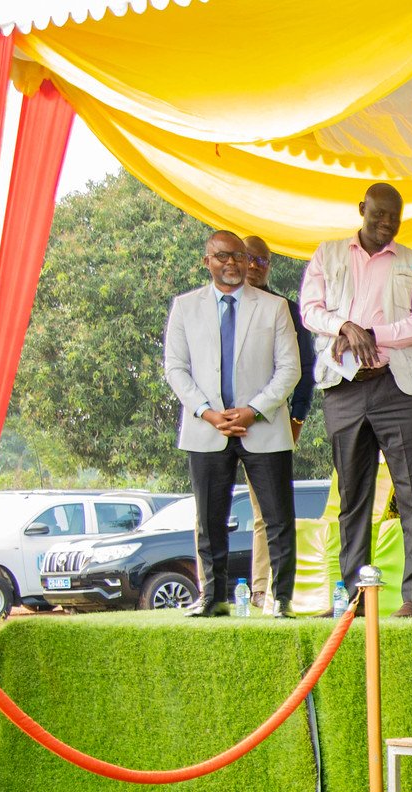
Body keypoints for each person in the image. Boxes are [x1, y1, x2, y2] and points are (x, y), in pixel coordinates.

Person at [300, 182, 412, 618]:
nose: (386, 225)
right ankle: (354, 599)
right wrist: (346, 326)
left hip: (397, 385)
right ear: (362, 209)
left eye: (393, 218)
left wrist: (373, 334)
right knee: (352, 495)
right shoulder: (328, 253)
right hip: (343, 386)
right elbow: (309, 309)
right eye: (378, 215)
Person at [162, 230, 301, 618]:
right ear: (206, 261)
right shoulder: (185, 307)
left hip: (264, 426)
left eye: (238, 256)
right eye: (222, 256)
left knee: (278, 519)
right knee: (209, 519)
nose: (231, 263)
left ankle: (282, 599)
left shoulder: (273, 307)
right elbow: (175, 368)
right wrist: (207, 411)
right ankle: (213, 597)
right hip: (206, 427)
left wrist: (253, 410)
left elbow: (289, 369)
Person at [241, 234, 316, 610]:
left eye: (262, 260)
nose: (254, 265)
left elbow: (304, 369)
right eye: (248, 258)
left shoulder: (285, 308)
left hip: (270, 421)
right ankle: (218, 592)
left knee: (269, 513)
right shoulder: (212, 307)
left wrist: (298, 416)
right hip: (216, 422)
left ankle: (264, 592)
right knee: (211, 512)